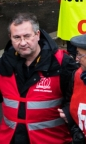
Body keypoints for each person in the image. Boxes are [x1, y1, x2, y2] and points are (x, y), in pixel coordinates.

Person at [0, 13, 79, 144]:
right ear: (10, 37)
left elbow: (82, 100)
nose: (23, 42)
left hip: (51, 140)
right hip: (10, 139)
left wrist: (70, 113)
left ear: (37, 35)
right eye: (17, 37)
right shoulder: (4, 64)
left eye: (27, 36)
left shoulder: (62, 64)